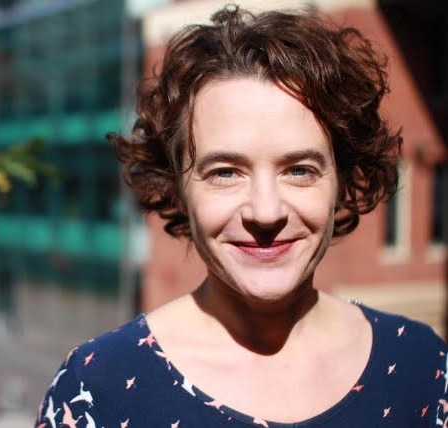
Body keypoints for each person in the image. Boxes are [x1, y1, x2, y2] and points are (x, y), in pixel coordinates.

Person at [35, 5, 447, 427]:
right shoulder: (97, 389)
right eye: (225, 172)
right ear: (176, 189)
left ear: (341, 181)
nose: (265, 212)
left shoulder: (421, 364)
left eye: (299, 170)